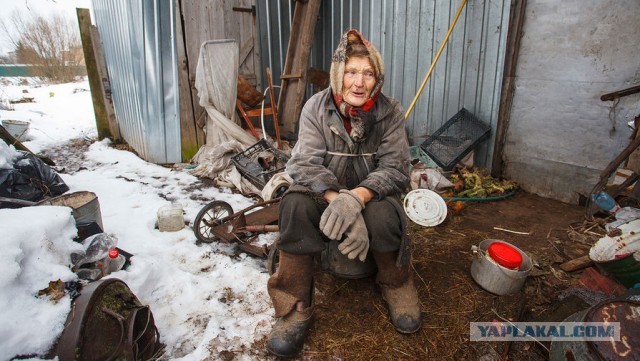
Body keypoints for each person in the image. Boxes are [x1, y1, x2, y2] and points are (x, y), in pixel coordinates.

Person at [266, 29, 421, 358]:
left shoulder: (390, 112)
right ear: (339, 74)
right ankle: (294, 302)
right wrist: (339, 200)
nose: (359, 83)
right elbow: (304, 163)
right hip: (326, 196)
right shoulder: (316, 108)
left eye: (368, 73)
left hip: (372, 196)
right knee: (293, 203)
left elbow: (396, 169)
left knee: (384, 217)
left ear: (377, 77)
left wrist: (358, 198)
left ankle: (395, 283)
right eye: (351, 72)